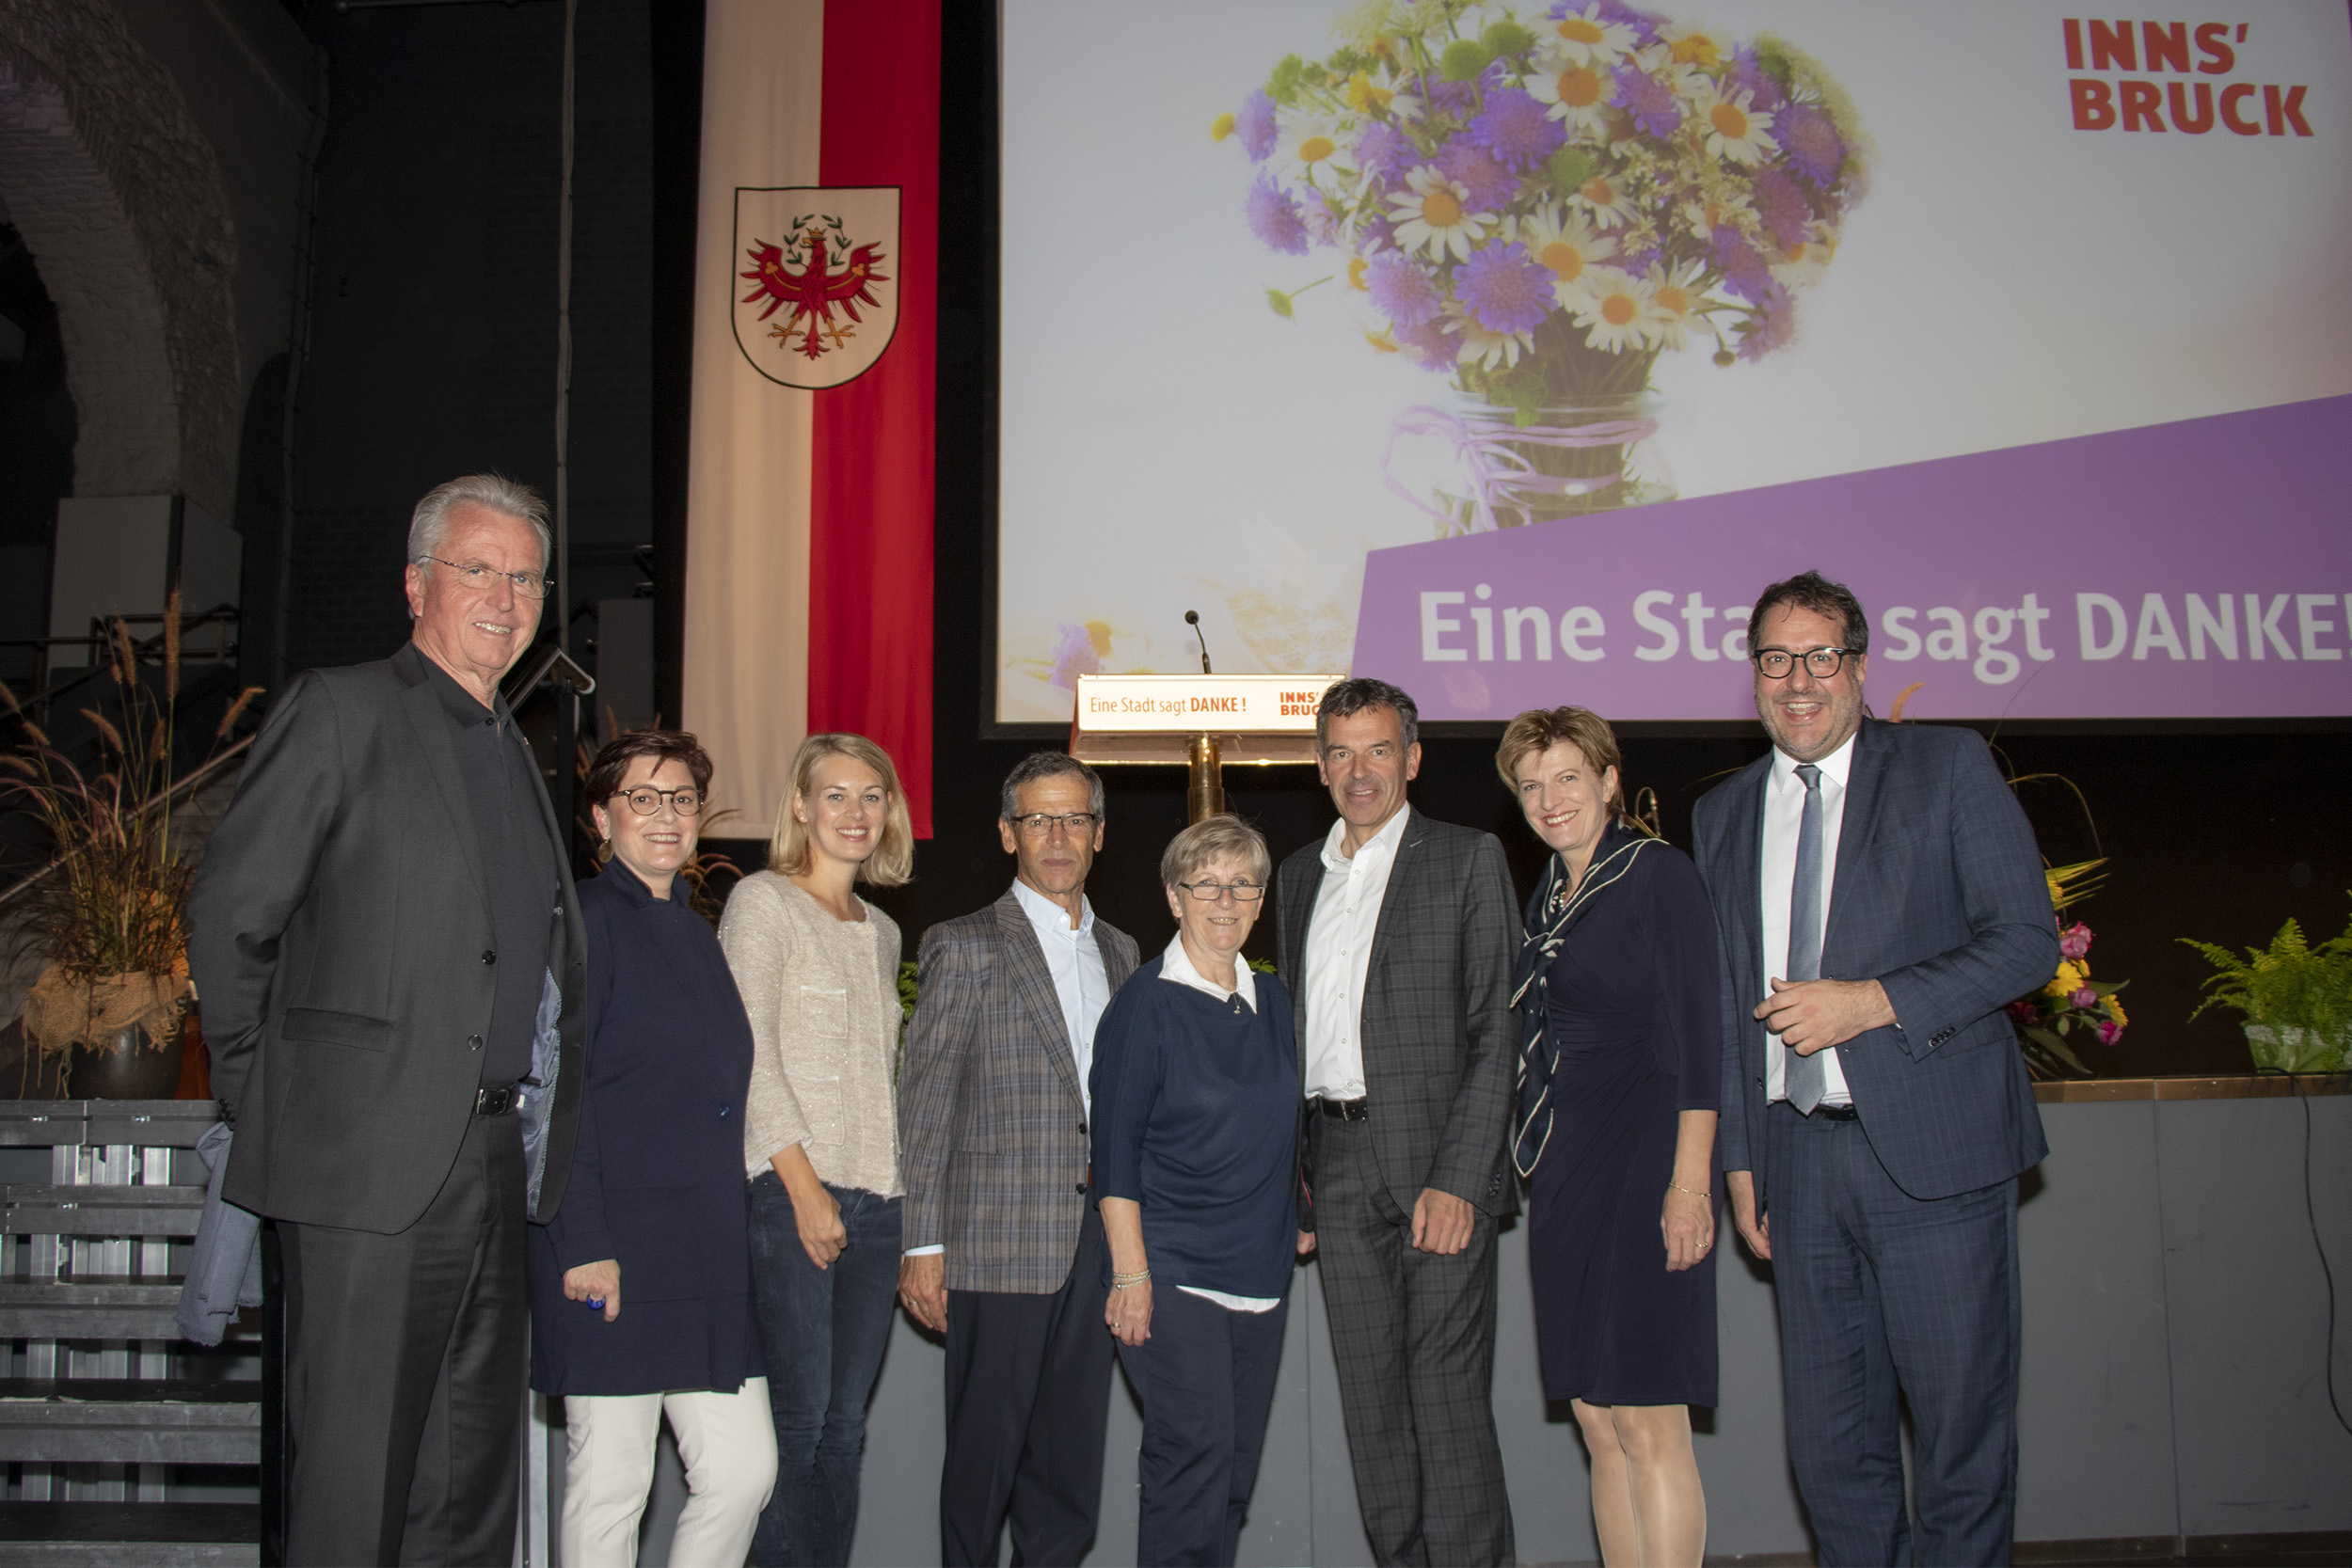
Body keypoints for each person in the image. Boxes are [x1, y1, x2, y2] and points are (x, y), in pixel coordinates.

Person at [186, 474, 585, 1564]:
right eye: (477, 569)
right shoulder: (344, 707)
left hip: (493, 1160)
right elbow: (231, 913)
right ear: (417, 583)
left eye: (525, 577)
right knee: (354, 1491)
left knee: (466, 1496)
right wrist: (264, 1096)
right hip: (363, 1165)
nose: (505, 596)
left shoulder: (511, 746)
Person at [1692, 571, 2057, 1567]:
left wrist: (1870, 999)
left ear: (1858, 666)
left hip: (1934, 1161)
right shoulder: (1721, 814)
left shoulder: (1944, 770)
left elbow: (2027, 941)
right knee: (1831, 1451)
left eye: (1819, 656)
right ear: (1753, 674)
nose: (1797, 680)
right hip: (1796, 1170)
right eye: (1775, 658)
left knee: (1958, 1441)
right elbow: (1728, 1006)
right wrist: (1738, 1164)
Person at [1274, 676, 1518, 1567]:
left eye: (1379, 749)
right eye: (1340, 752)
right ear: (1320, 766)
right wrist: (1294, 1178)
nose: (1360, 769)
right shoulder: (1299, 875)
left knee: (1447, 1400)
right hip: (1334, 1163)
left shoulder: (1466, 856)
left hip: (1436, 1161)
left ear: (1412, 758)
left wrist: (1462, 1175)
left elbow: (1499, 1027)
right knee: (1371, 1404)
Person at [529, 730, 775, 1567]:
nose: (666, 816)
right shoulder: (583, 923)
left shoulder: (697, 934)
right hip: (613, 1252)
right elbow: (563, 1098)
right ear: (602, 816)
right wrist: (584, 1242)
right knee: (611, 1486)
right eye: (643, 798)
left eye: (681, 799)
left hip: (703, 1255)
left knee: (745, 1471)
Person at [896, 752, 1141, 1567]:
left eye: (1075, 818)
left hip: (1097, 1245)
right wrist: (921, 1245)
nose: (1059, 835)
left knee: (1067, 1471)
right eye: (1040, 819)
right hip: (995, 1248)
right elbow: (925, 1107)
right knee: (982, 1465)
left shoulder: (1123, 951)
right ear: (1008, 833)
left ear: (1099, 834)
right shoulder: (963, 946)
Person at [1499, 707, 1722, 1568]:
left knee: (1647, 1412)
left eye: (1566, 778)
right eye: (1530, 785)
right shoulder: (1551, 894)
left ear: (1608, 780)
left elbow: (1700, 1042)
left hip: (1646, 1154)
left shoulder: (1659, 876)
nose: (1550, 800)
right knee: (1596, 1416)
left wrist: (1689, 1183)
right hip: (1565, 1166)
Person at [720, 732, 915, 1568]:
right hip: (793, 1190)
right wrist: (802, 1187)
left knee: (844, 1429)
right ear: (800, 805)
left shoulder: (883, 930)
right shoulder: (763, 902)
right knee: (796, 1427)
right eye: (835, 794)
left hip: (878, 1204)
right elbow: (746, 1047)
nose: (856, 812)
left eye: (872, 795)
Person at [1092, 815, 1301, 1568]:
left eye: (1242, 882)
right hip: (1172, 1269)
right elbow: (1113, 1151)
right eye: (1206, 883)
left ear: (1260, 897)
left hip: (1261, 1272)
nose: (1226, 898)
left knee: (1232, 1478)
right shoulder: (1145, 1004)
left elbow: (1281, 1121)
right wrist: (1132, 1273)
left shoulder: (1272, 1000)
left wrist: (1299, 1212)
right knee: (1192, 1464)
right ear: (1174, 898)